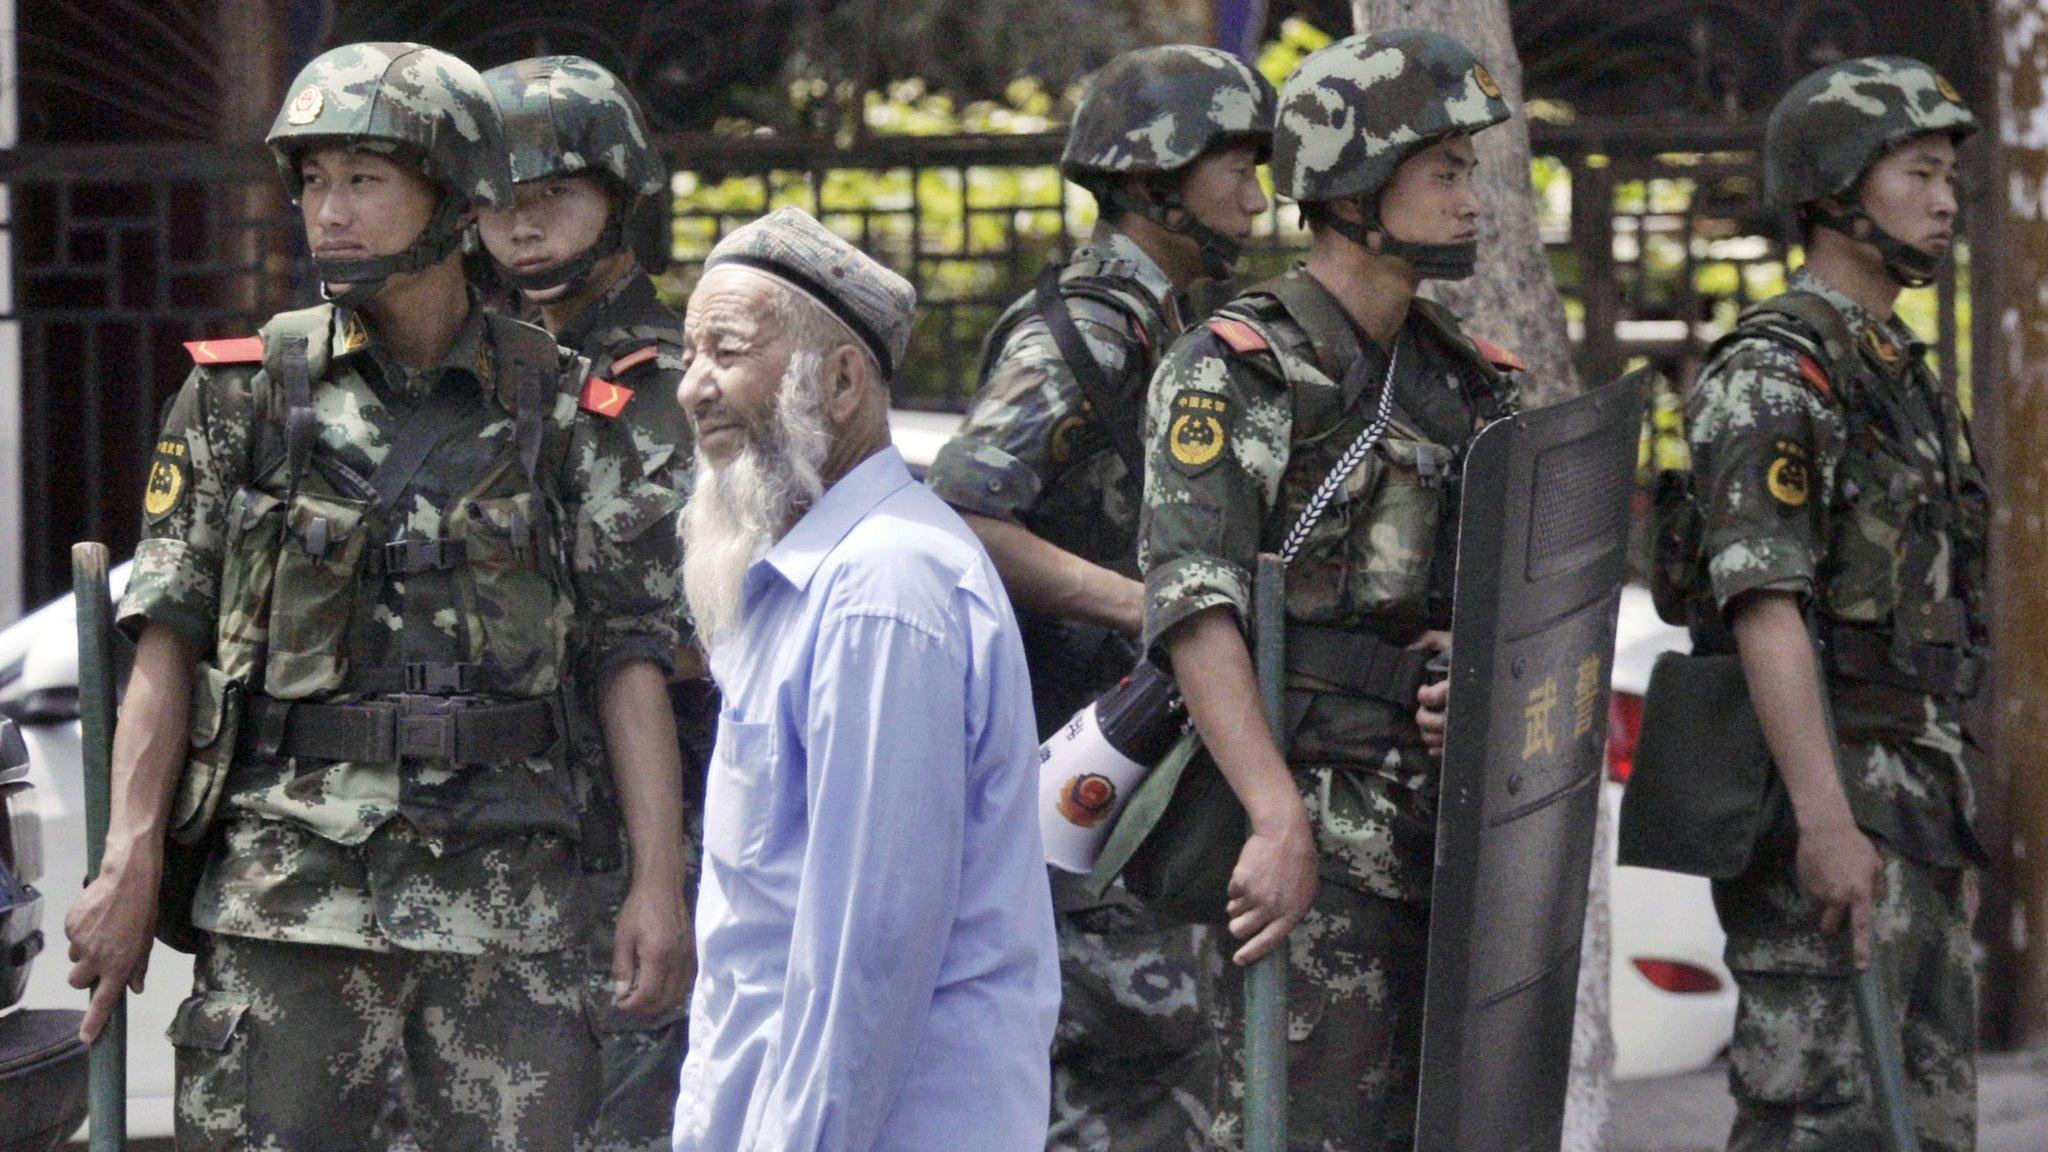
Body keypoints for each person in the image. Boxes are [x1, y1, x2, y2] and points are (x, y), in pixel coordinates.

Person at [61, 42, 692, 1151]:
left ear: (451, 198)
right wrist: (128, 861)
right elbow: (163, 641)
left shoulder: (561, 414)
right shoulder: (238, 398)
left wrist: (657, 884)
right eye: (313, 182)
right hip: (288, 906)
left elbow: (626, 661)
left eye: (364, 179)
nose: (328, 213)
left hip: (512, 915)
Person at [1137, 30, 1525, 1152]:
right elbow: (1194, 606)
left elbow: (1500, 607)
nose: (1469, 200)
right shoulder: (1237, 368)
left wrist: (1470, 672)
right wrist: (1272, 817)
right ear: (1355, 182)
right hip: (1307, 836)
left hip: (1440, 844)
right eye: (1443, 172)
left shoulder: (1464, 382)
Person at [923, 44, 1274, 1150]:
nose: (1257, 196)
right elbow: (964, 514)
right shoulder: (1082, 337)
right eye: (1233, 168)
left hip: (1148, 787)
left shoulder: (1168, 329)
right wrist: (1152, 608)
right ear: (1151, 179)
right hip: (1085, 788)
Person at [671, 207, 1060, 1152]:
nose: (693, 389)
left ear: (840, 380)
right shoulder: (805, 579)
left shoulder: (882, 588)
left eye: (725, 350)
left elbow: (865, 956)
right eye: (688, 354)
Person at [1676, 56, 1985, 1152]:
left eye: (1948, 174)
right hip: (1828, 797)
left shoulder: (1896, 371)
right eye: (1919, 171)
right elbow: (1761, 603)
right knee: (1819, 1118)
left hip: (1912, 802)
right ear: (1834, 190)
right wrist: (1821, 820)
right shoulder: (1772, 373)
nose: (1945, 198)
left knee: (1927, 1122)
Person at [478, 54, 696, 1152]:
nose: (520, 228)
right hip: (518, 821)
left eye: (550, 195)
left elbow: (675, 629)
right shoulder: (486, 370)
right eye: (497, 202)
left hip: (651, 816)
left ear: (618, 191)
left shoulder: (671, 381)